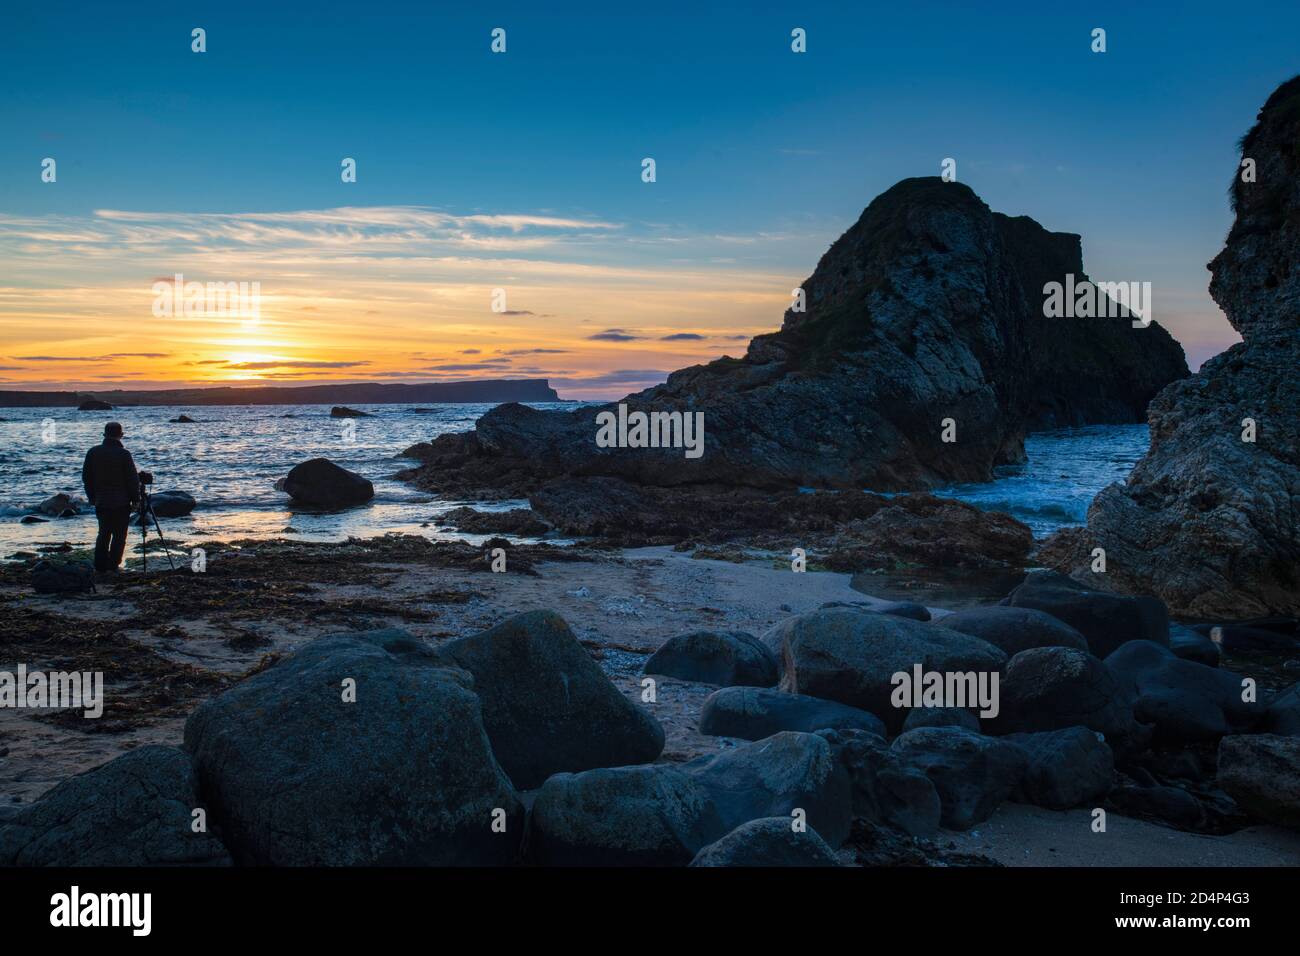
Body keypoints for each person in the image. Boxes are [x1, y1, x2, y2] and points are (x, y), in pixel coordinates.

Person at [82, 422, 140, 573]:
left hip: (101, 501)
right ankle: (113, 565)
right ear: (121, 435)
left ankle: (100, 565)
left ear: (104, 435)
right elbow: (132, 479)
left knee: (103, 533)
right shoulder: (124, 454)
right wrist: (136, 499)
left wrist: (91, 497)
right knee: (119, 535)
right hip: (121, 501)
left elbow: (86, 478)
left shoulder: (93, 452)